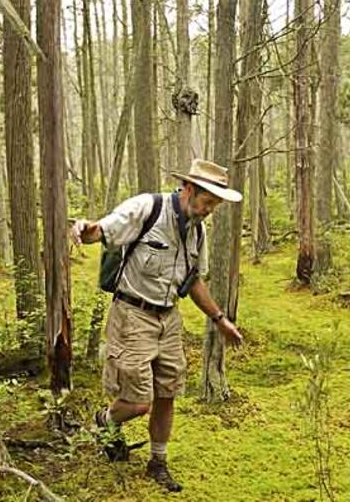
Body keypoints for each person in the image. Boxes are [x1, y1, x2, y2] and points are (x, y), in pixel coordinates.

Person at [70, 159, 244, 492]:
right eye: (207, 202)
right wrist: (83, 228)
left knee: (167, 393)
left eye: (215, 205)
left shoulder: (197, 229)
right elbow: (102, 230)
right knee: (139, 401)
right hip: (132, 314)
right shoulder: (147, 208)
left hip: (169, 318)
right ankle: (106, 421)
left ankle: (158, 463)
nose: (209, 210)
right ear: (189, 189)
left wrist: (220, 320)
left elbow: (193, 281)